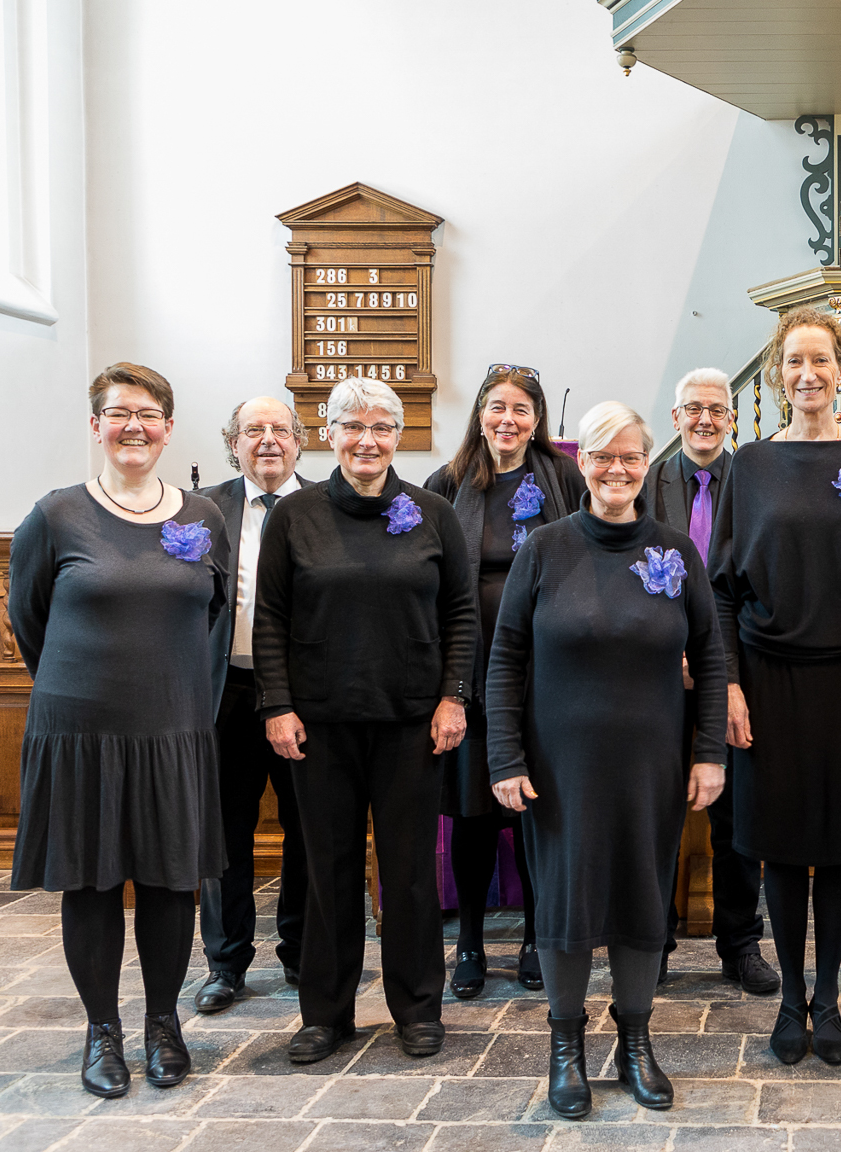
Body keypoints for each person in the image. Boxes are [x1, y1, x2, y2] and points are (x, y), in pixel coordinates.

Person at [487, 402, 728, 1118]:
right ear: (582, 464)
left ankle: (635, 1041)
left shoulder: (677, 553)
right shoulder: (545, 550)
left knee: (640, 900)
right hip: (559, 768)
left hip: (650, 765)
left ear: (645, 465)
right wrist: (504, 756)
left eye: (630, 457)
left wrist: (709, 752)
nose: (617, 469)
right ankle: (567, 1048)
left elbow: (713, 657)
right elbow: (504, 659)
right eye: (603, 456)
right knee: (564, 903)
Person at [8, 363, 230, 1097]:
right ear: (96, 425)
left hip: (174, 727)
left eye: (148, 414)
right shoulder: (57, 515)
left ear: (169, 427)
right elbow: (29, 619)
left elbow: (213, 616)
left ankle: (162, 1023)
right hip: (81, 733)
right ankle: (101, 1029)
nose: (133, 426)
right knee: (92, 883)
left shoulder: (202, 518)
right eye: (118, 413)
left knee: (171, 883)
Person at [253, 376, 476, 1066]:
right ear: (328, 433)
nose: (368, 439)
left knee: (408, 873)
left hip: (412, 722)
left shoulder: (432, 512)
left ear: (399, 435)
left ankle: (416, 1007)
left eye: (383, 427)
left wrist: (453, 697)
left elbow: (461, 613)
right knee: (329, 870)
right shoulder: (295, 517)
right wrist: (278, 705)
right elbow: (270, 619)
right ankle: (326, 1013)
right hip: (320, 723)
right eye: (354, 426)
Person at [712, 306, 841, 1066]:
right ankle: (789, 1000)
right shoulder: (750, 465)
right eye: (794, 361)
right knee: (777, 843)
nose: (807, 374)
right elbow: (723, 589)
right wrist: (727, 684)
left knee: (836, 847)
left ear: (840, 369)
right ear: (777, 371)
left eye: (820, 361)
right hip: (766, 682)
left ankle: (827, 997)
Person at [425, 364, 581, 999]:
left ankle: (536, 935)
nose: (507, 420)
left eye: (521, 409)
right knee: (474, 816)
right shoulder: (448, 482)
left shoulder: (563, 478)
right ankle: (467, 941)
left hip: (544, 673)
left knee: (534, 813)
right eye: (497, 408)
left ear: (536, 420)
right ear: (480, 416)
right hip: (469, 669)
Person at [649, 368, 779, 996]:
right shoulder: (647, 483)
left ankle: (740, 942)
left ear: (732, 418)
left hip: (735, 673)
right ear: (675, 418)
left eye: (717, 410)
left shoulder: (757, 484)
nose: (705, 419)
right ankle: (653, 942)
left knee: (736, 814)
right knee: (657, 814)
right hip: (656, 676)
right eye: (693, 409)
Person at [195, 397, 315, 1014]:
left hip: (302, 697)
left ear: (299, 441)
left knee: (308, 829)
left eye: (279, 430)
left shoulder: (326, 506)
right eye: (252, 431)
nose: (267, 439)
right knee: (223, 834)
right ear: (233, 443)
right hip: (225, 692)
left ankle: (301, 952)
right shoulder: (201, 510)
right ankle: (225, 961)